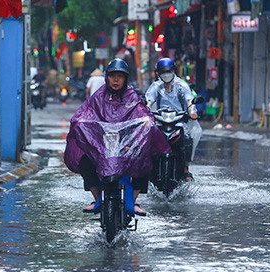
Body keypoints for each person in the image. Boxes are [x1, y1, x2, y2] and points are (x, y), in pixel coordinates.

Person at [64, 58, 170, 216]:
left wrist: (147, 123)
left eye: (120, 76)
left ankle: (133, 201)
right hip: (102, 144)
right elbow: (85, 113)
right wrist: (80, 123)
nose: (116, 79)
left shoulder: (132, 96)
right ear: (106, 77)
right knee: (85, 161)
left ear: (125, 78)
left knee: (146, 158)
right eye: (112, 75)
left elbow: (143, 114)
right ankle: (97, 198)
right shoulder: (98, 96)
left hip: (127, 144)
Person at [145, 57, 199, 180]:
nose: (166, 74)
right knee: (147, 139)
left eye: (168, 71)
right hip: (159, 120)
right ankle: (148, 166)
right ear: (158, 73)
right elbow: (149, 101)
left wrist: (192, 112)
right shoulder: (156, 86)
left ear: (174, 71)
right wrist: (145, 110)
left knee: (188, 138)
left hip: (179, 121)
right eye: (163, 72)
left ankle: (186, 168)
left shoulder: (182, 85)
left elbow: (189, 100)